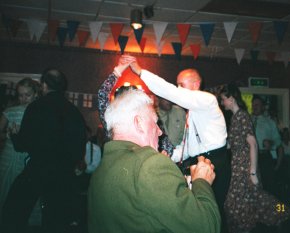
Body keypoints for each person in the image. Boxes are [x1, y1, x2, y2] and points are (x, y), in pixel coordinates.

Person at [88, 88, 221, 233]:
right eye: (155, 122)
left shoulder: (100, 171)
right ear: (138, 123)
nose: (160, 131)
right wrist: (202, 182)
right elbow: (206, 227)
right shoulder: (150, 163)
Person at [127, 55, 230, 230]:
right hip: (198, 161)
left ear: (196, 85)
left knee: (214, 210)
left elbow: (170, 92)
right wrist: (168, 157)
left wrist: (139, 71)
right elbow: (188, 148)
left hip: (216, 162)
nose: (178, 89)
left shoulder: (207, 100)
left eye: (181, 84)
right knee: (199, 210)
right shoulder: (192, 111)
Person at [2, 69, 87, 233]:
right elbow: (79, 148)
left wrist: (13, 134)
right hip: (63, 175)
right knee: (54, 223)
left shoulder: (36, 107)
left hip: (38, 169)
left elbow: (22, 144)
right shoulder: (74, 112)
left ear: (44, 85)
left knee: (13, 215)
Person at [220, 84, 290, 233]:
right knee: (246, 200)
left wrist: (252, 173)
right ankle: (274, 217)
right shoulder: (236, 117)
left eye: (223, 99)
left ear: (231, 99)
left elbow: (253, 144)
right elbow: (234, 143)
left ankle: (280, 214)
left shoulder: (242, 116)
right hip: (238, 164)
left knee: (237, 202)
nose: (222, 102)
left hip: (245, 165)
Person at [97, 57, 174, 156]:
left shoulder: (149, 118)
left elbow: (166, 143)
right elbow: (102, 95)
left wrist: (165, 154)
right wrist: (117, 71)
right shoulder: (114, 119)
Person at [0, 78, 40, 225]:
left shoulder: (39, 113)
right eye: (20, 95)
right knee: (5, 189)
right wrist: (9, 135)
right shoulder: (10, 111)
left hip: (27, 158)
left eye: (27, 95)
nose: (23, 98)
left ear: (36, 94)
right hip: (8, 156)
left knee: (23, 195)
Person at [251, 96, 283, 196]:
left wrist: (271, 143)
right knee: (252, 186)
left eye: (257, 105)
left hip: (264, 157)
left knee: (267, 186)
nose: (254, 107)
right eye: (253, 105)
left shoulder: (270, 122)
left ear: (263, 107)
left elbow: (278, 142)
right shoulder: (247, 120)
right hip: (249, 157)